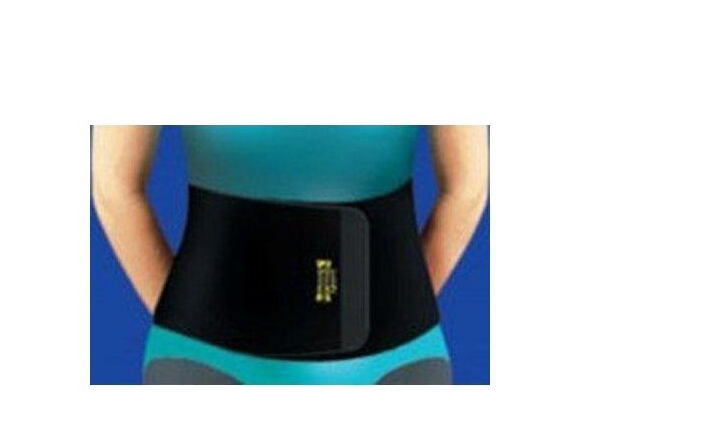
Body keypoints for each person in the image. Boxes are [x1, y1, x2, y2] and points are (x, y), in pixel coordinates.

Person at [92, 126, 488, 384]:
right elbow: (114, 188)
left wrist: (393, 303)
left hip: (396, 358)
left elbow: (469, 187)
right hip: (207, 357)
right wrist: (190, 317)